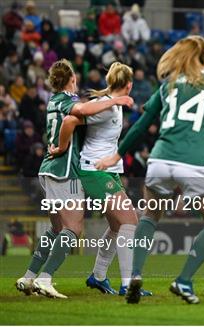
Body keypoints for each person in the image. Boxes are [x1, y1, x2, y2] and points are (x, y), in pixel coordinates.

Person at [95, 36, 204, 304]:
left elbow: (142, 124)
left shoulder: (167, 85)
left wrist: (116, 155)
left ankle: (134, 276)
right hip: (193, 164)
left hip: (159, 160)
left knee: (149, 217)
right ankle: (184, 280)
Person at [15, 59, 134, 298]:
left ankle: (29, 277)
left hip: (48, 170)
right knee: (73, 228)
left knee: (56, 229)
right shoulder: (68, 101)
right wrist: (62, 146)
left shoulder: (53, 101)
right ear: (72, 79)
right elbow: (76, 115)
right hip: (64, 170)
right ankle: (46, 279)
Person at [49, 62, 151, 297]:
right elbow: (69, 121)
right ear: (129, 85)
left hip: (108, 171)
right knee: (130, 221)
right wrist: (62, 148)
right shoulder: (105, 106)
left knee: (117, 226)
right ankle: (127, 285)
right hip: (94, 171)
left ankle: (98, 276)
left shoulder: (113, 105)